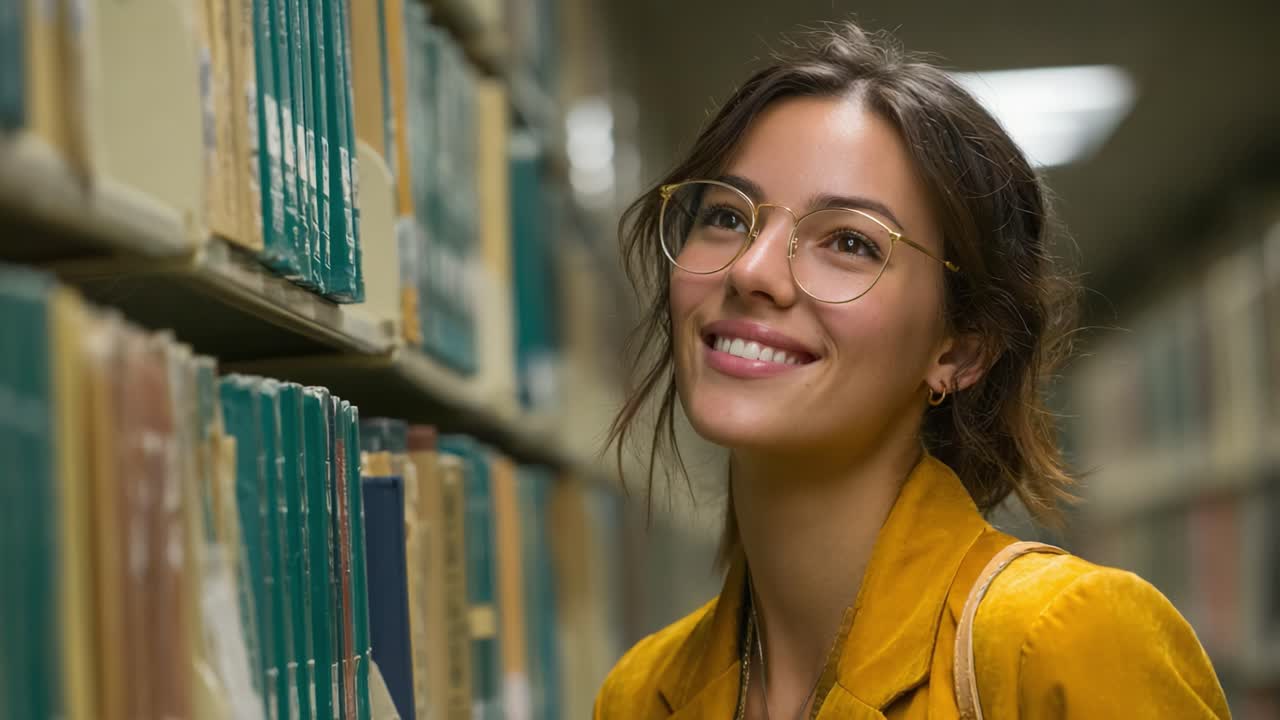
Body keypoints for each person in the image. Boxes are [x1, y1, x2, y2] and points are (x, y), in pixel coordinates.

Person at [593, 20, 1229, 720]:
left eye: (848, 242)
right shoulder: (638, 695)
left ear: (960, 350)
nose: (750, 269)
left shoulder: (1060, 643)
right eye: (726, 215)